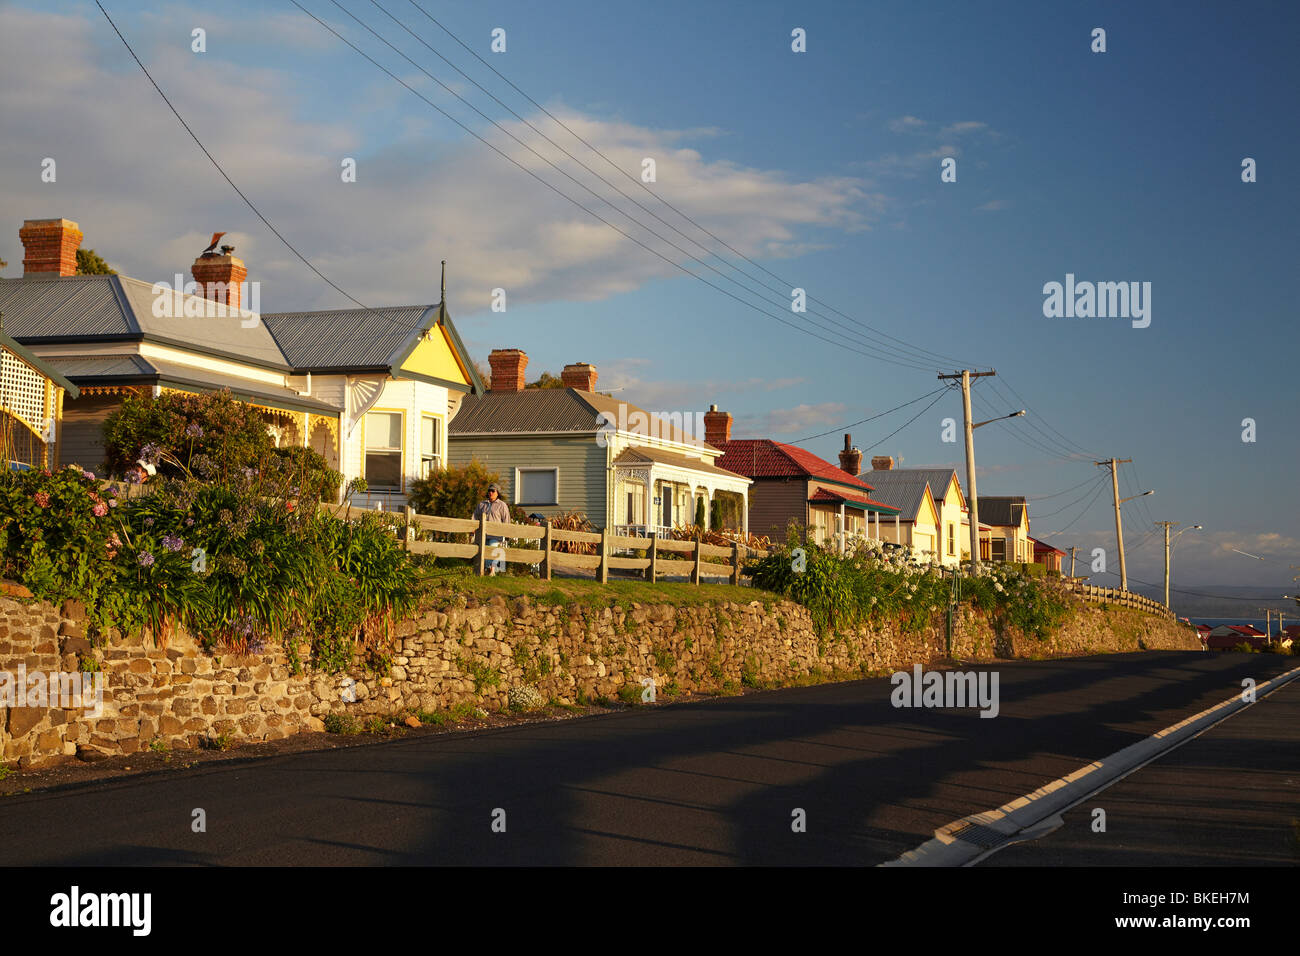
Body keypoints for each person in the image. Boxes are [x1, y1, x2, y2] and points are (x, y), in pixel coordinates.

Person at [473, 483, 511, 575]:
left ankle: (491, 570)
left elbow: (506, 520)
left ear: (497, 493)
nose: (491, 493)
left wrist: (507, 534)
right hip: (483, 534)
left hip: (496, 534)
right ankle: (491, 571)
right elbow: (474, 517)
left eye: (493, 491)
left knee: (492, 552)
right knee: (484, 552)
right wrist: (472, 530)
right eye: (489, 491)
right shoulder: (482, 504)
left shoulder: (502, 505)